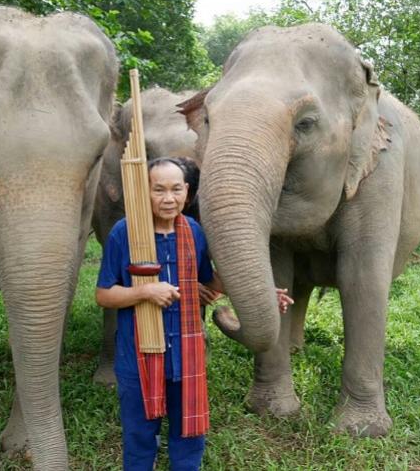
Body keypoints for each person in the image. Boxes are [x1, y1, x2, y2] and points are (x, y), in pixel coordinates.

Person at [96, 157, 292, 470]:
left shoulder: (194, 232)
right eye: (158, 189)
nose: (168, 198)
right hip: (137, 357)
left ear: (187, 191)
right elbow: (104, 295)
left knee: (189, 437)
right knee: (139, 437)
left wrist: (261, 294)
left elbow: (209, 280)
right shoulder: (124, 234)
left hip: (186, 356)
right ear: (145, 191)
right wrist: (145, 291)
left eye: (176, 189)